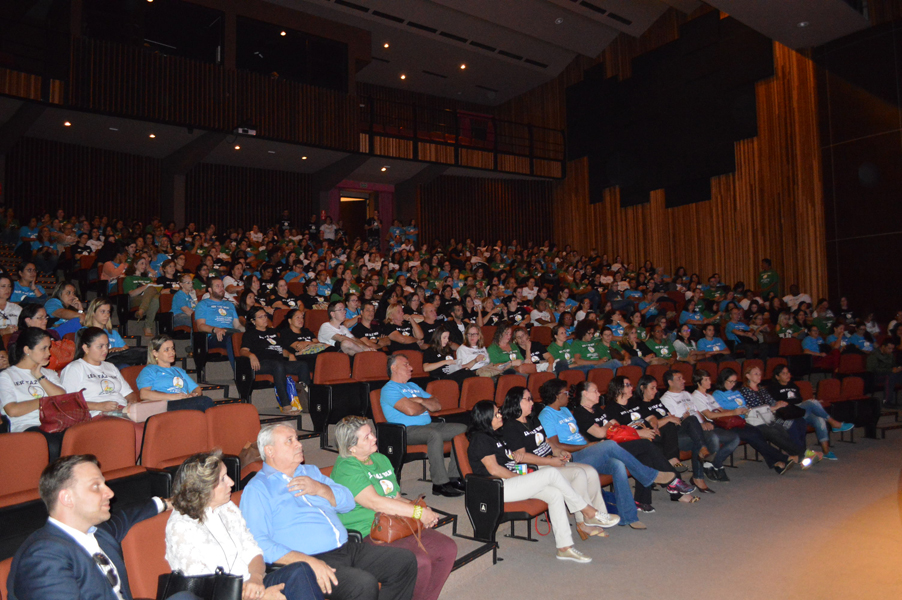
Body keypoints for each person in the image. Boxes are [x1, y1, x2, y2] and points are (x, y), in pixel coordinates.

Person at [240, 424, 418, 600]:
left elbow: (347, 502)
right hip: (309, 561)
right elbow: (258, 544)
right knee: (362, 585)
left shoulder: (311, 472)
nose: (299, 444)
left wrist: (319, 489)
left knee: (404, 562)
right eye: (289, 441)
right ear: (270, 451)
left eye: (297, 438)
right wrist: (308, 562)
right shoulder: (258, 489)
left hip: (346, 548)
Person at [7, 454, 196, 600]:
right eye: (96, 486)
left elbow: (127, 516)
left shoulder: (97, 532)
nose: (110, 493)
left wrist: (168, 503)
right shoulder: (43, 557)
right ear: (67, 498)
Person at [537, 378, 692, 529]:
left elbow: (578, 434)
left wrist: (587, 443)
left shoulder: (564, 410)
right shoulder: (546, 415)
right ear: (557, 395)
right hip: (573, 457)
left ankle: (628, 517)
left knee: (617, 465)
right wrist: (588, 445)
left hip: (588, 450)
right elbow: (556, 445)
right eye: (565, 392)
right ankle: (651, 476)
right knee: (611, 444)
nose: (568, 395)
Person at [166, 451, 322, 600]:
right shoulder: (181, 527)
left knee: (299, 570)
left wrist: (256, 579)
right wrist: (259, 597)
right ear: (202, 489)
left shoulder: (227, 508)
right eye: (222, 479)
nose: (231, 482)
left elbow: (253, 551)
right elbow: (204, 588)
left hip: (250, 586)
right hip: (222, 596)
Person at [331, 417, 457, 600]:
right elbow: (375, 503)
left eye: (372, 433)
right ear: (351, 447)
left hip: (396, 523)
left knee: (447, 548)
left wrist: (419, 508)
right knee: (418, 562)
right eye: (366, 437)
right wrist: (418, 513)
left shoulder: (380, 459)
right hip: (369, 531)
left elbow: (395, 497)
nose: (374, 438)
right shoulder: (346, 467)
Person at [468, 400, 608, 563]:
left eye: (499, 411)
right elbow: (494, 470)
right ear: (485, 418)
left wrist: (516, 457)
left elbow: (505, 460)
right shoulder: (480, 438)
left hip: (511, 481)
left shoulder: (496, 435)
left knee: (555, 494)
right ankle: (587, 510)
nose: (500, 415)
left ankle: (564, 548)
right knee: (550, 472)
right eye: (496, 413)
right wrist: (522, 479)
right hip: (497, 487)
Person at [500, 386, 620, 539]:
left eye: (531, 398)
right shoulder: (511, 426)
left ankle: (597, 516)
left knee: (590, 471)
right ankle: (583, 521)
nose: (532, 402)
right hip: (538, 467)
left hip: (550, 460)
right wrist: (549, 462)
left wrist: (559, 452)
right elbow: (522, 456)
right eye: (527, 399)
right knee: (579, 473)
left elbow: (547, 442)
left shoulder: (532, 419)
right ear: (516, 402)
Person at [574, 378, 697, 511]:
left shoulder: (597, 409)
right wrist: (610, 427)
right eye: (595, 391)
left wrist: (609, 427)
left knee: (646, 456)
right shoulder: (581, 413)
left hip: (617, 444)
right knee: (645, 444)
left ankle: (641, 501)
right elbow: (600, 433)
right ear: (585, 394)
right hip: (604, 451)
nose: (599, 393)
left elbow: (614, 426)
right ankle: (673, 481)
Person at [380, 354, 467, 497]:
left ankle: (454, 477)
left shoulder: (413, 386)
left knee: (462, 429)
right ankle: (439, 483)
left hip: (428, 425)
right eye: (406, 364)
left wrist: (420, 400)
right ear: (393, 368)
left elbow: (437, 405)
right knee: (434, 434)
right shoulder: (389, 389)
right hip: (405, 431)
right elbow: (411, 411)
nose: (411, 368)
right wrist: (425, 404)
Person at [695, 368, 796, 475]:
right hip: (724, 424)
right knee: (754, 434)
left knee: (757, 433)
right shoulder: (711, 395)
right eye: (730, 381)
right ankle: (785, 458)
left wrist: (739, 411)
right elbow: (711, 415)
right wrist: (734, 412)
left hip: (738, 420)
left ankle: (776, 462)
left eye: (734, 381)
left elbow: (721, 409)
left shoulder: (710, 396)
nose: (732, 384)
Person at [0, 327, 74, 459]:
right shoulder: (7, 376)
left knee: (78, 436)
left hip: (56, 422)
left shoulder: (49, 374)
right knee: (51, 444)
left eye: (49, 348)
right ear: (27, 350)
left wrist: (40, 377)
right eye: (43, 349)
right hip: (27, 425)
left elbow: (63, 398)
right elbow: (12, 410)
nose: (49, 353)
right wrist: (43, 401)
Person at [660, 369, 739, 492]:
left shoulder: (686, 394)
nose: (683, 380)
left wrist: (704, 422)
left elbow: (696, 411)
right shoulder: (666, 399)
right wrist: (694, 422)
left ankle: (698, 477)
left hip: (695, 429)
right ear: (670, 382)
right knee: (695, 425)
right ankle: (702, 464)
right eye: (679, 378)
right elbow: (673, 423)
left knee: (706, 436)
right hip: (679, 433)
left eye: (683, 378)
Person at [767, 364, 851, 459]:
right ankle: (834, 423)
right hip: (788, 412)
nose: (787, 375)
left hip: (800, 410)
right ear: (777, 377)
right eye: (784, 373)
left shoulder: (793, 385)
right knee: (813, 403)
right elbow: (775, 404)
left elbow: (799, 401)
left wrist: (812, 403)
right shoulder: (773, 388)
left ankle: (826, 451)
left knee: (819, 418)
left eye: (788, 373)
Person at [739, 366, 817, 465]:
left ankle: (800, 453)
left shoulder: (761, 389)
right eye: (756, 374)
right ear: (748, 376)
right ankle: (803, 453)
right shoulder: (745, 391)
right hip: (757, 421)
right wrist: (774, 407)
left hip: (769, 417)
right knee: (776, 430)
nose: (759, 376)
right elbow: (754, 408)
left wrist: (778, 403)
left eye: (760, 373)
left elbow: (771, 401)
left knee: (797, 422)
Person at [242, 307, 311, 414]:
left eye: (265, 316)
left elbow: (281, 349)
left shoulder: (272, 331)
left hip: (279, 362)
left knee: (302, 365)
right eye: (261, 317)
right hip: (262, 363)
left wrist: (289, 354)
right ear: (253, 321)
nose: (265, 318)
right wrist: (251, 355)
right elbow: (243, 350)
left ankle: (306, 401)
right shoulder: (250, 334)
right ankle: (285, 405)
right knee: (277, 365)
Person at [61, 327, 136, 417]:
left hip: (122, 410)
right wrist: (99, 406)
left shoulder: (110, 367)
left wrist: (132, 403)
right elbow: (67, 402)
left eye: (107, 345)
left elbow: (129, 394)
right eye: (100, 346)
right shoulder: (75, 368)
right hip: (96, 414)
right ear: (86, 348)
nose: (105, 350)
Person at [136, 335, 215, 412]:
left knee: (205, 403)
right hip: (165, 404)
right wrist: (172, 397)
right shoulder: (149, 370)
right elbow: (144, 394)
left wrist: (194, 395)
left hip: (182, 402)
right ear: (155, 353)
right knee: (205, 401)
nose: (172, 352)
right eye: (167, 350)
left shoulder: (178, 371)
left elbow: (197, 389)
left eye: (172, 349)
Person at [194, 276, 244, 370]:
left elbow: (237, 325)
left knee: (250, 337)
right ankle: (239, 372)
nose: (222, 289)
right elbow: (200, 326)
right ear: (210, 289)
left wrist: (249, 330)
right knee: (231, 338)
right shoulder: (203, 304)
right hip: (214, 336)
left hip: (231, 332)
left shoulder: (229, 305)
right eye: (218, 286)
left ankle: (254, 372)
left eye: (222, 286)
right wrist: (215, 329)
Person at [122, 256, 160, 338]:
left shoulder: (148, 279)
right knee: (151, 291)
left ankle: (142, 311)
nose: (144, 266)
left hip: (148, 300)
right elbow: (131, 294)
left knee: (156, 299)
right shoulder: (129, 279)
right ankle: (147, 327)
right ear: (135, 265)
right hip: (135, 299)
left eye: (145, 264)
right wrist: (147, 286)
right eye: (141, 263)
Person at [868, 338, 902, 405]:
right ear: (883, 346)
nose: (891, 351)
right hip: (876, 376)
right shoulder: (873, 355)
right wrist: (891, 370)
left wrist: (898, 368)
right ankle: (887, 401)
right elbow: (873, 369)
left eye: (892, 349)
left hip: (890, 374)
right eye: (889, 348)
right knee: (890, 377)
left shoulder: (890, 355)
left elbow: (893, 365)